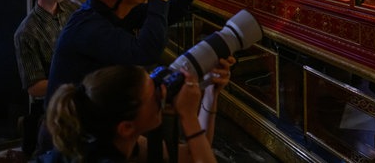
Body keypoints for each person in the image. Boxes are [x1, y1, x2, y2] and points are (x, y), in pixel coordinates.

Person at [45, 0, 199, 103]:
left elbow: (161, 17)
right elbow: (147, 51)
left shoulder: (107, 8)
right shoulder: (90, 28)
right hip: (69, 123)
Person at [41, 57, 235, 163]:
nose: (163, 92)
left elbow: (193, 155)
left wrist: (210, 92)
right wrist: (188, 116)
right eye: (154, 95)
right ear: (126, 127)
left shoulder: (98, 137)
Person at [14, 0, 79, 156]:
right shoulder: (27, 32)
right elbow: (34, 87)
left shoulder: (72, 10)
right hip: (52, 111)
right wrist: (77, 80)